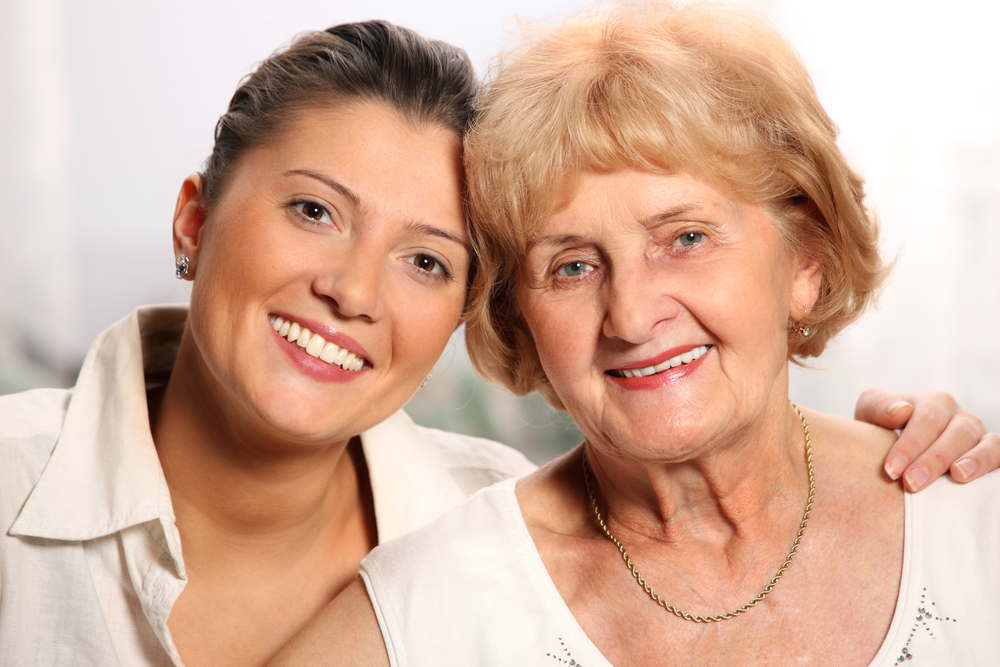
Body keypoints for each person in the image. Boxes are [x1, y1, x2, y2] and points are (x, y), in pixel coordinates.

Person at [0, 15, 991, 667]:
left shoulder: (962, 505)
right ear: (192, 223)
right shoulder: (449, 580)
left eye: (684, 237)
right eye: (570, 264)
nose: (633, 313)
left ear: (805, 261)